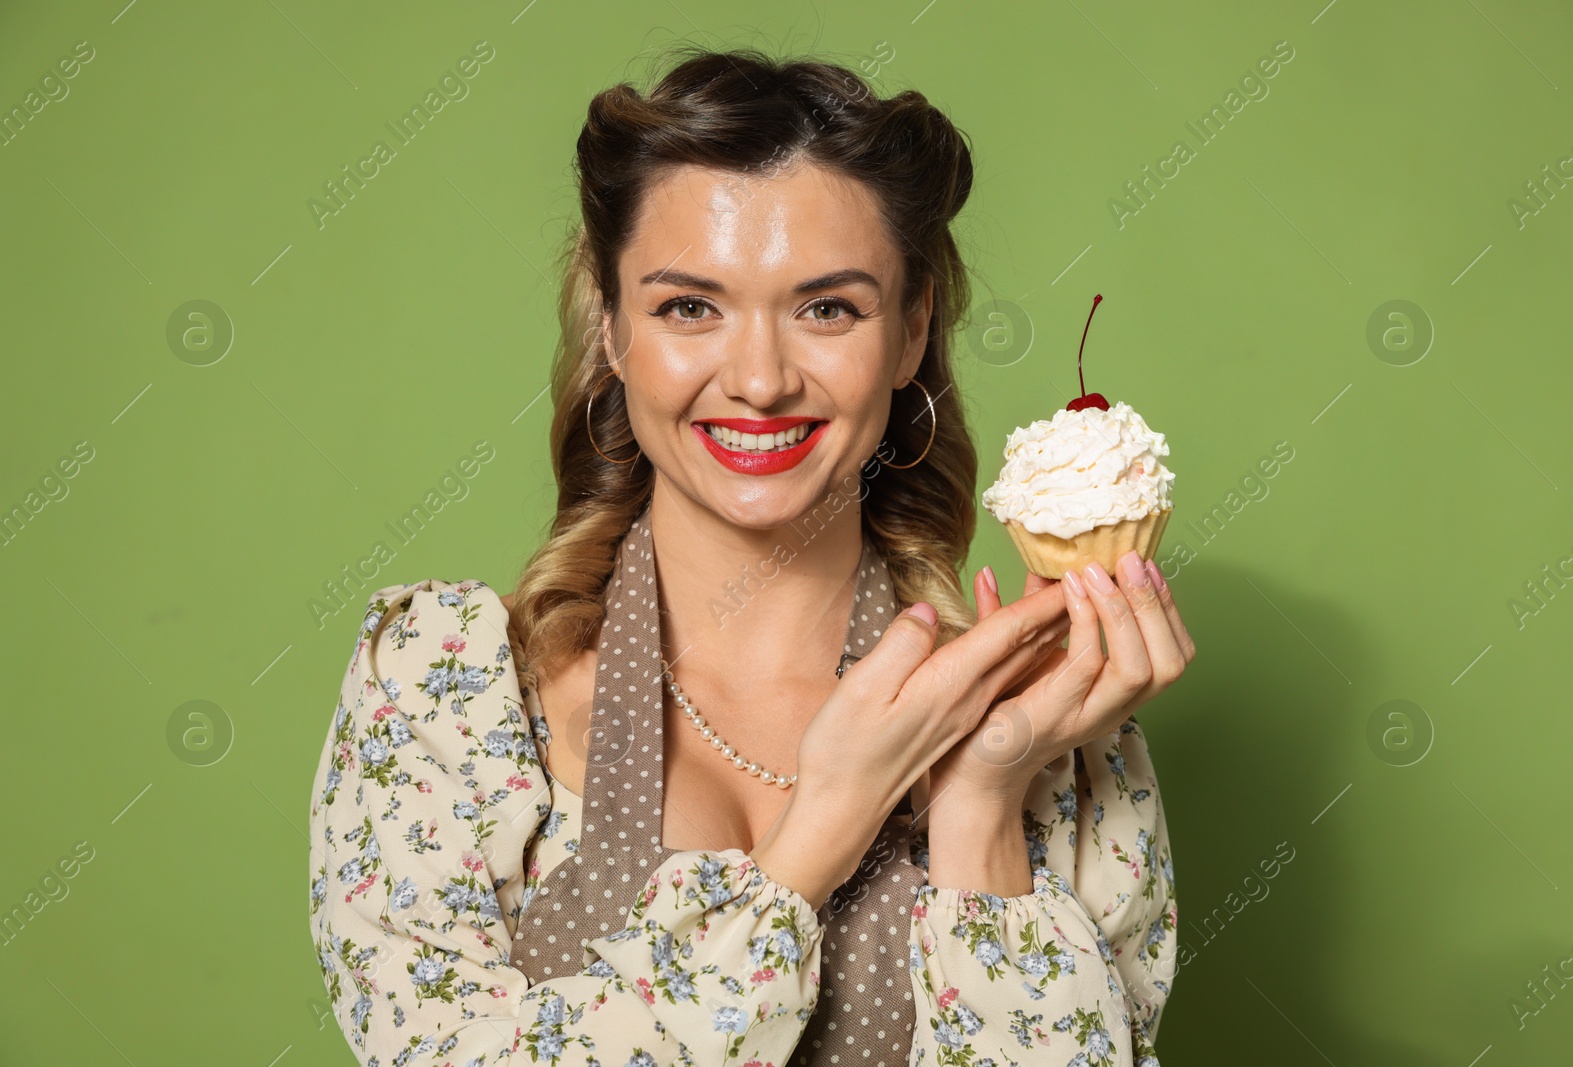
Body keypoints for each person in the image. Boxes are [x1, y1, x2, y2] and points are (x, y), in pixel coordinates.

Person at [308, 46, 1194, 1067]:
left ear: (909, 335)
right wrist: (821, 830)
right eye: (690, 306)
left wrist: (983, 802)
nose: (761, 378)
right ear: (611, 327)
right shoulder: (445, 687)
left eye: (828, 308)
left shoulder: (1051, 731)